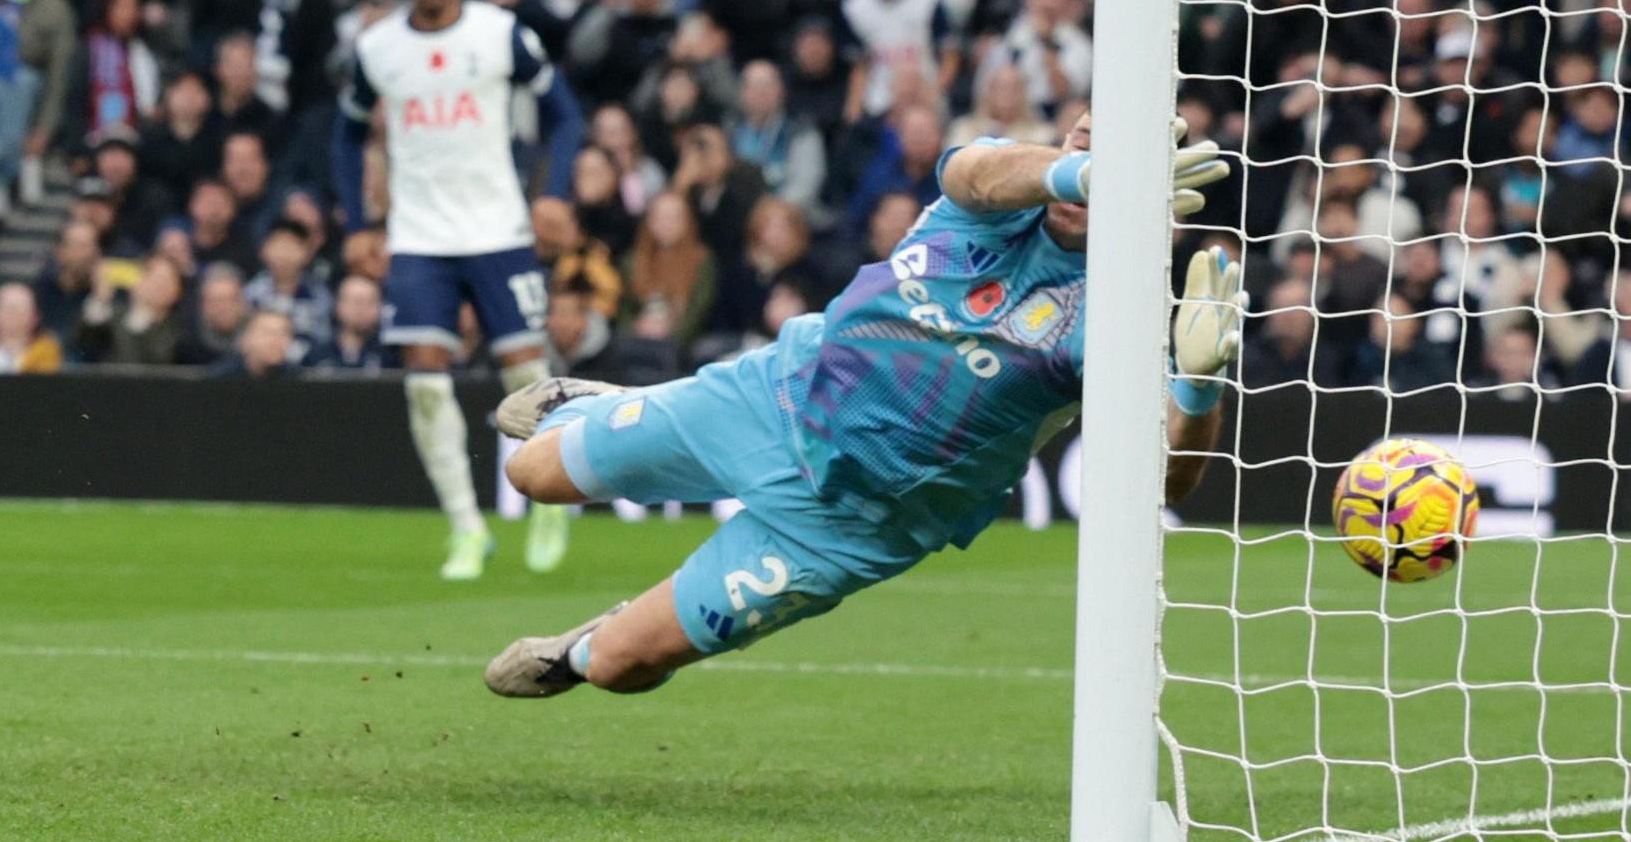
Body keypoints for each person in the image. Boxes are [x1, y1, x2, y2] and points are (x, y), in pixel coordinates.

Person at [483, 119, 1234, 696]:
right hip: (771, 398)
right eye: (1081, 142)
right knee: (532, 473)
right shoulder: (994, 196)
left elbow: (1165, 483)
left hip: (851, 523)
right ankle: (621, 404)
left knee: (620, 665)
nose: (1083, 177)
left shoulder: (1116, 317)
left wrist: (1197, 383)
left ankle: (582, 648)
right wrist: (1085, 173)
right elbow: (976, 172)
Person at [333, 0, 584, 582]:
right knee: (422, 379)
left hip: (498, 228)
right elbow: (345, 135)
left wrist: (553, 192)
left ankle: (554, 500)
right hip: (418, 235)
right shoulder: (379, 47)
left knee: (524, 375)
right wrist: (360, 221)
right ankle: (466, 529)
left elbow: (565, 114)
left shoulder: (498, 33)